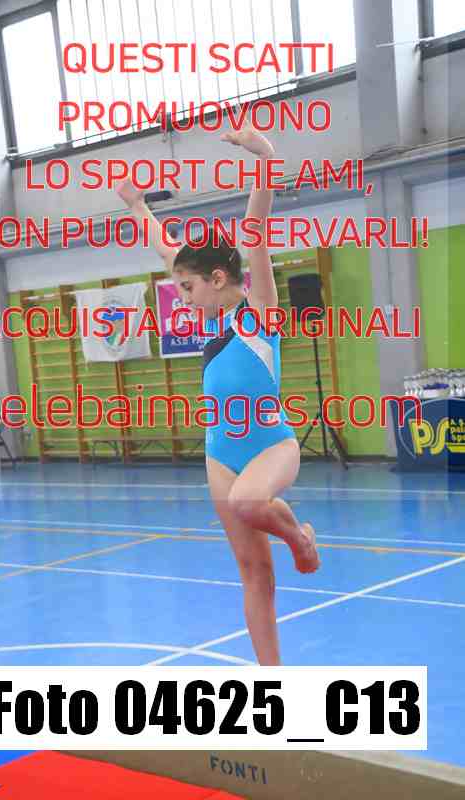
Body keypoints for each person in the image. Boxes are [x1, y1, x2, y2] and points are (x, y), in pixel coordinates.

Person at [116, 113, 319, 666]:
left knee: (249, 501)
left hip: (270, 445)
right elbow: (167, 251)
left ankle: (300, 538)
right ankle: (273, 681)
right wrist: (137, 206)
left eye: (187, 288)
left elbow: (255, 233)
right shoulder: (209, 317)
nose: (181, 298)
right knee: (254, 572)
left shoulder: (260, 314)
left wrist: (266, 157)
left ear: (219, 279)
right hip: (220, 455)